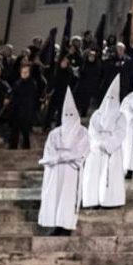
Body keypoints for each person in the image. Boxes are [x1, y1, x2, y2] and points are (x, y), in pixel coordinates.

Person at [38, 91, 90, 236]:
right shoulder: (55, 133)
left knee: (67, 198)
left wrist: (63, 155)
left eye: (71, 115)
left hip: (71, 172)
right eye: (65, 115)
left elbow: (81, 151)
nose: (68, 118)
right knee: (55, 196)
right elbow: (49, 152)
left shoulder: (82, 132)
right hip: (56, 171)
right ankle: (56, 224)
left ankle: (67, 225)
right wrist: (60, 157)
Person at [81, 75, 126, 208]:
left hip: (112, 150)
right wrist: (99, 143)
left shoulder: (120, 116)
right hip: (96, 150)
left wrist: (108, 144)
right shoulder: (97, 114)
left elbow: (120, 133)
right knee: (94, 176)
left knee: (110, 176)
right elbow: (92, 131)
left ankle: (110, 200)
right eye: (109, 98)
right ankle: (92, 200)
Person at [7, 65, 39, 150]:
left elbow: (32, 98)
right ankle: (13, 146)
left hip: (26, 110)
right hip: (16, 109)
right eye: (22, 72)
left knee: (25, 130)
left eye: (26, 72)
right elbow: (13, 94)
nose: (24, 74)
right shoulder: (17, 83)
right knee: (15, 129)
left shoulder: (32, 84)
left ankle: (26, 146)